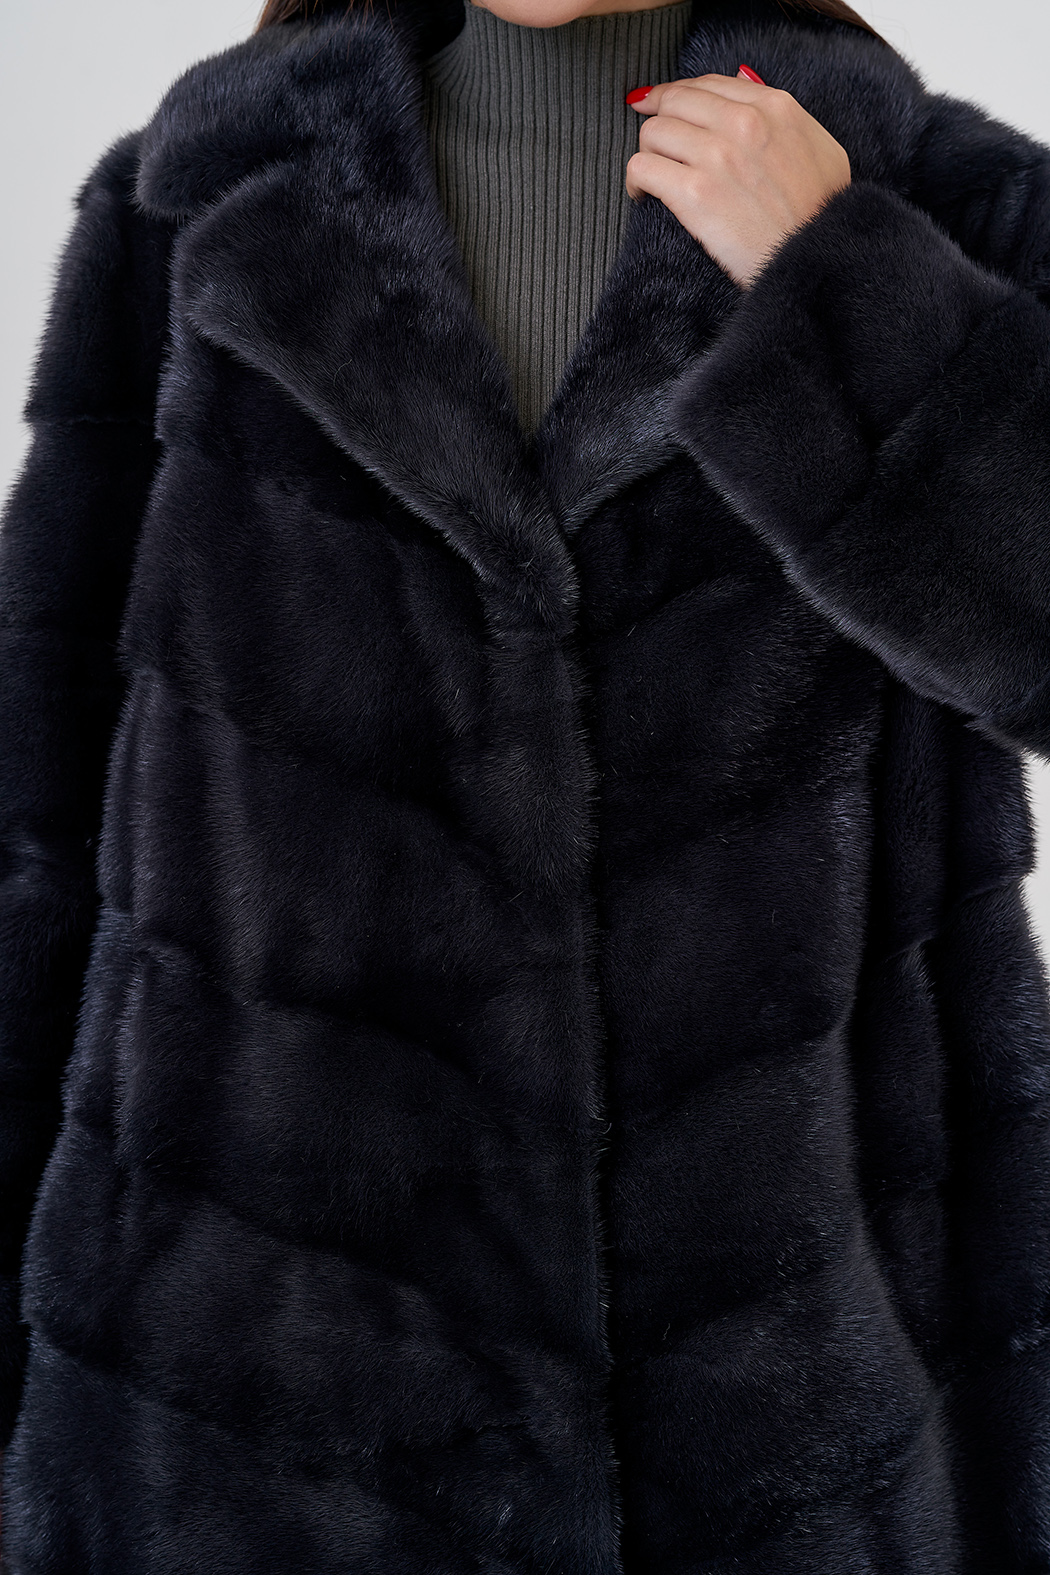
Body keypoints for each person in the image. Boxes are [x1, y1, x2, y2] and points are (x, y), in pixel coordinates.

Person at [2, 0, 1050, 1566]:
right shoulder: (198, 199)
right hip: (240, 1437)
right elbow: (36, 806)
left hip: (769, 1437)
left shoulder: (934, 207)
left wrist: (835, 286)